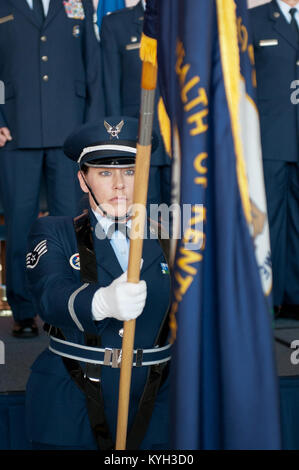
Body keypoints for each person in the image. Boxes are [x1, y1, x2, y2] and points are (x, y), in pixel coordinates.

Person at [25, 116, 171, 450]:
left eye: (130, 171)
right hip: (71, 399)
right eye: (105, 173)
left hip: (157, 400)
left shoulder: (171, 237)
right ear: (82, 179)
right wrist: (101, 302)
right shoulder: (55, 232)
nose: (119, 184)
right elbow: (49, 296)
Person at [0, 0, 105, 337]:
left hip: (70, 131)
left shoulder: (78, 3)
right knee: (20, 224)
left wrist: (92, 130)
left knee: (73, 224)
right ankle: (24, 311)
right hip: (15, 130)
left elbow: (94, 69)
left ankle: (71, 304)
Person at [250, 0, 299, 316]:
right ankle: (272, 296)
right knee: (271, 222)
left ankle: (295, 297)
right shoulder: (253, 19)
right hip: (271, 138)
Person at [100, 0, 171, 208]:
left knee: (183, 219)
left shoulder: (190, 24)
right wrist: (118, 143)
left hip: (181, 142)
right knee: (143, 218)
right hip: (138, 141)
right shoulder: (115, 24)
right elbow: (111, 90)